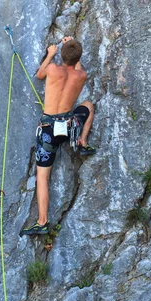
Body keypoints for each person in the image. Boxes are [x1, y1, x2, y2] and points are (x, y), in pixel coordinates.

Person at [20, 36, 96, 236]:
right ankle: (82, 141)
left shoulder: (53, 69)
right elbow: (75, 66)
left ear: (62, 55)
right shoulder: (82, 76)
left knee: (43, 177)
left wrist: (51, 53)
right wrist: (73, 49)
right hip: (68, 127)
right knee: (88, 105)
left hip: (48, 131)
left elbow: (39, 74)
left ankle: (42, 221)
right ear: (78, 57)